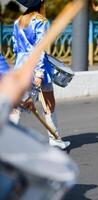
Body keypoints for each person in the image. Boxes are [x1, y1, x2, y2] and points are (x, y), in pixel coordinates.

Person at [11, 0, 70, 149]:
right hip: (38, 66)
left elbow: (15, 47)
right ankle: (54, 138)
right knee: (49, 104)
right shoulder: (40, 21)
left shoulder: (17, 21)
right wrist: (39, 73)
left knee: (17, 106)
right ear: (41, 3)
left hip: (21, 67)